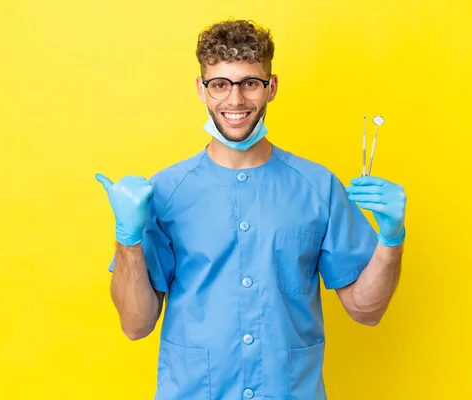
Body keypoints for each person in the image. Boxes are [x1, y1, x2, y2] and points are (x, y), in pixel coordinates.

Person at [95, 19, 406, 400]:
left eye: (250, 83)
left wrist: (391, 239)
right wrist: (127, 239)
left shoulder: (317, 186)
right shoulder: (164, 191)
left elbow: (366, 310)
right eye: (220, 84)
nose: (235, 100)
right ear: (201, 89)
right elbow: (135, 324)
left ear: (271, 87)